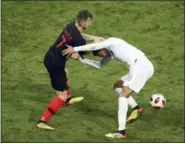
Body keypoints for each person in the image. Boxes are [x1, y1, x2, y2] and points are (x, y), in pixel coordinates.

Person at [62, 37, 154, 139]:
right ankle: (136, 108)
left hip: (141, 66)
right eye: (99, 55)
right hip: (140, 67)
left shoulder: (112, 42)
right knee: (118, 86)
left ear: (101, 48)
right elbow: (100, 65)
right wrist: (82, 60)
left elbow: (94, 45)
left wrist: (75, 49)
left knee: (123, 96)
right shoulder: (110, 53)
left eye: (100, 53)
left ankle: (121, 131)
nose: (103, 56)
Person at [37, 9, 104, 130]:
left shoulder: (71, 25)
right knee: (60, 96)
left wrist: (93, 38)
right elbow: (81, 54)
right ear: (83, 22)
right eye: (89, 22)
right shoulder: (78, 40)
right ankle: (43, 121)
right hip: (55, 65)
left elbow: (80, 36)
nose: (90, 24)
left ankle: (68, 99)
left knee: (66, 74)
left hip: (50, 56)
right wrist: (96, 46)